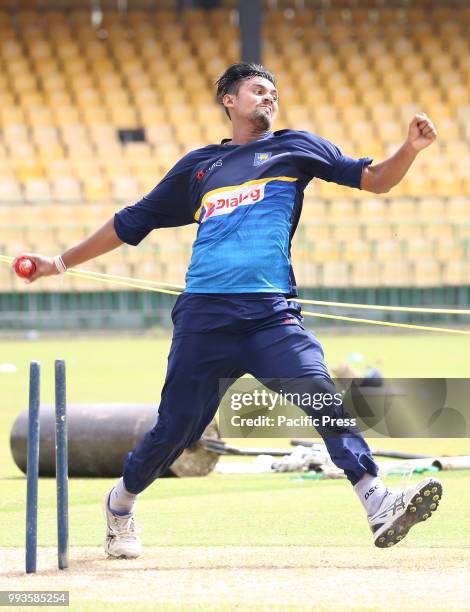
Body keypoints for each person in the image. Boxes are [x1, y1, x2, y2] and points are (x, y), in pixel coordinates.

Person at [13, 63, 442, 556]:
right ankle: (120, 502)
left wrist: (408, 150)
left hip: (271, 316)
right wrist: (59, 263)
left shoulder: (296, 146)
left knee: (320, 393)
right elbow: (132, 221)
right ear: (229, 101)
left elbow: (375, 179)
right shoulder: (199, 167)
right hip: (205, 319)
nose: (269, 99)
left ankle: (376, 500)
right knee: (178, 430)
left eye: (274, 93)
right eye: (258, 91)